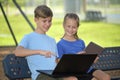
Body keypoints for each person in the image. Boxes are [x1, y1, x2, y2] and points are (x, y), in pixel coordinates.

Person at [14, 5, 79, 80]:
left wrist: (75, 57)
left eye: (49, 21)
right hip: (40, 76)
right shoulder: (29, 37)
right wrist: (39, 52)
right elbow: (17, 52)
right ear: (36, 20)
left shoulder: (52, 40)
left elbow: (56, 61)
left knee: (73, 78)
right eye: (44, 21)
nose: (47, 24)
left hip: (54, 74)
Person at [57, 13, 111, 80]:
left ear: (77, 27)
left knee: (106, 77)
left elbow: (85, 59)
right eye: (68, 26)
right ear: (64, 25)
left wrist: (92, 59)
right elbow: (60, 63)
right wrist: (75, 58)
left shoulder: (81, 42)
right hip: (73, 72)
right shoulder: (60, 44)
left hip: (87, 69)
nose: (71, 29)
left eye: (74, 27)